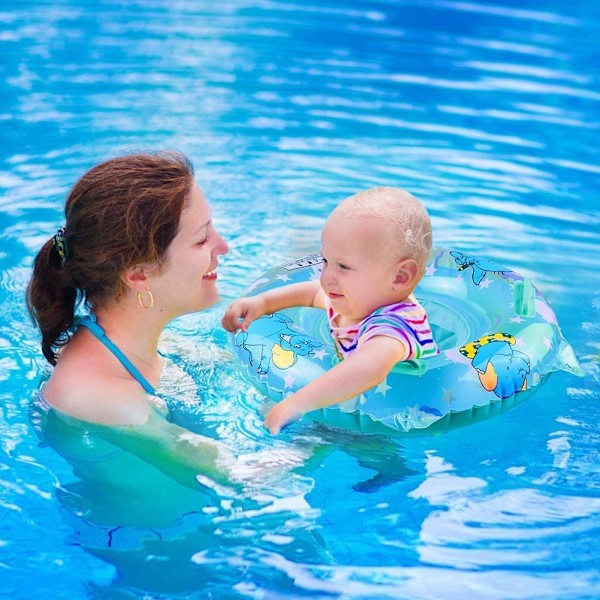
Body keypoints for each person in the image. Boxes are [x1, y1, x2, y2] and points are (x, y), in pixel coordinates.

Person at [26, 151, 233, 489]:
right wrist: (329, 422)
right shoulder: (97, 396)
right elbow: (245, 477)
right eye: (202, 239)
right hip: (153, 539)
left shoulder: (138, 342)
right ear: (139, 274)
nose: (223, 247)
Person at [222, 186, 439, 435]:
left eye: (344, 266)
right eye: (326, 261)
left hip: (385, 420)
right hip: (351, 407)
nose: (327, 277)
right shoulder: (356, 298)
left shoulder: (395, 328)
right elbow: (311, 293)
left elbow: (368, 370)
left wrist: (297, 403)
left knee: (358, 450)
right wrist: (261, 303)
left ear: (400, 276)